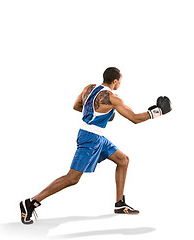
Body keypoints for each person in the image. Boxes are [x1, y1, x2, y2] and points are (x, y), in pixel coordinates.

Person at [20, 67, 172, 224]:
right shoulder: (113, 98)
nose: (120, 83)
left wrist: (97, 113)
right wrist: (158, 112)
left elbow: (77, 106)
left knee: (123, 160)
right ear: (114, 81)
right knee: (72, 178)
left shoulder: (89, 88)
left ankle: (119, 203)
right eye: (120, 80)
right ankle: (30, 203)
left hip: (95, 136)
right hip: (90, 139)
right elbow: (134, 118)